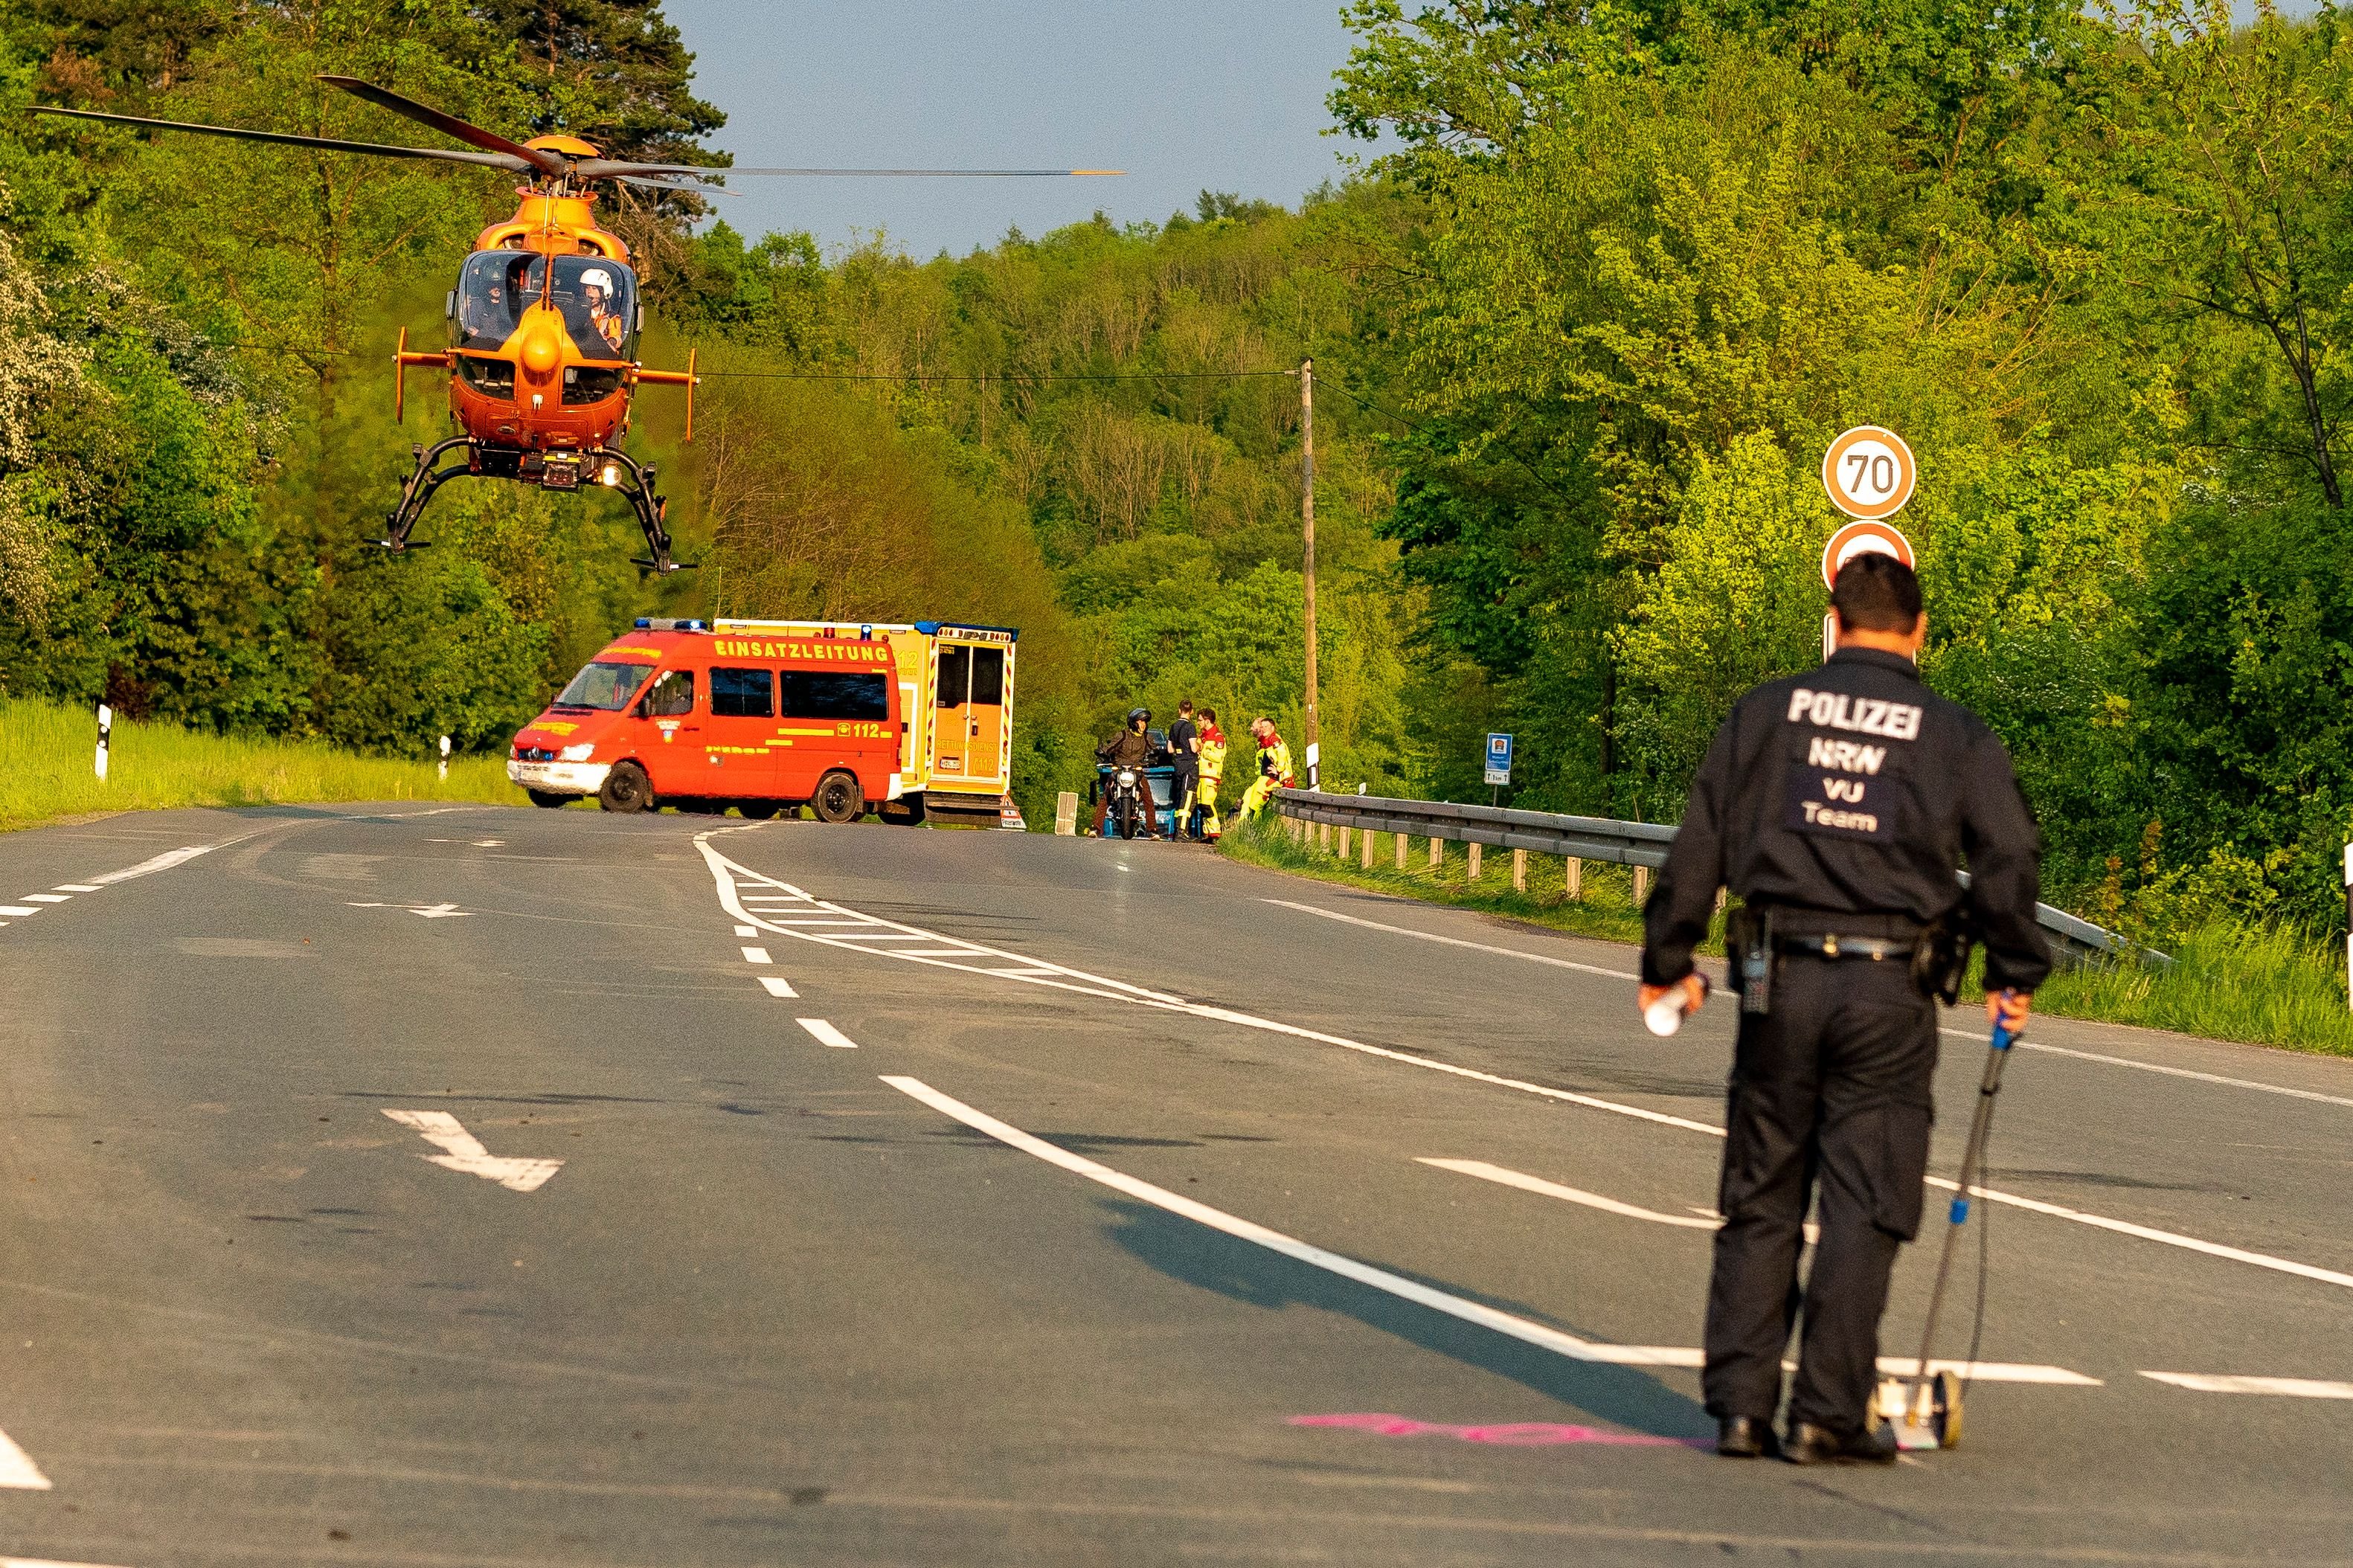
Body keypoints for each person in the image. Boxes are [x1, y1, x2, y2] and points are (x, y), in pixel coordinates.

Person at [1638, 553, 2048, 1466]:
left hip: (1776, 981)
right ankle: (1825, 1411)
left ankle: (1741, 1408)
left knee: (1763, 1190)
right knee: (1865, 1197)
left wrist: (1666, 957)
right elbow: (2009, 854)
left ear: (1833, 619)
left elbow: (1700, 836)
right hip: (1888, 989)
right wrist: (2012, 967)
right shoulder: (1950, 733)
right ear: (1919, 630)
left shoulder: (1766, 712)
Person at [1094, 707, 1160, 838]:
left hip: (1137, 769)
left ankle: (1152, 830)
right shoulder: (1122, 735)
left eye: (1145, 722)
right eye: (1140, 722)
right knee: (1107, 794)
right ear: (1133, 723)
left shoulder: (1147, 738)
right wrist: (1104, 753)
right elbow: (1110, 747)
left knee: (1147, 796)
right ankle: (1095, 828)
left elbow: (1155, 750)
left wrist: (1156, 756)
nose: (1143, 725)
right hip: (1120, 768)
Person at [1232, 716, 1294, 822]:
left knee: (1256, 804)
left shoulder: (1274, 741)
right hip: (1263, 778)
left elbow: (1283, 755)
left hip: (1275, 779)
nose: (1264, 729)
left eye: (1266, 727)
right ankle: (1242, 827)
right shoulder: (1264, 743)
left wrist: (1278, 770)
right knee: (1247, 798)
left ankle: (1255, 828)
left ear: (1272, 728)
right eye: (1262, 727)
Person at [1167, 700, 1201, 841]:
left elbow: (1170, 750)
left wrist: (1179, 751)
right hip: (1190, 766)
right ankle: (1182, 831)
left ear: (1179, 710)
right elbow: (1194, 748)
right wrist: (1200, 745)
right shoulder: (1190, 727)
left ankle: (1177, 830)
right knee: (1188, 798)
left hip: (1178, 765)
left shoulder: (1173, 727)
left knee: (1180, 798)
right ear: (1192, 712)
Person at [1194, 708, 1227, 840]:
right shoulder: (1202, 736)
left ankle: (1216, 832)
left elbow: (1218, 757)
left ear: (1207, 720)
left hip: (1211, 776)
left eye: (1200, 720)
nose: (1198, 722)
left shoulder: (1218, 737)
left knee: (1208, 804)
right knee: (1201, 805)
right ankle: (1207, 832)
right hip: (1201, 775)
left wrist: (1203, 751)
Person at [581, 267, 626, 351]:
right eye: (587, 288)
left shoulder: (612, 317)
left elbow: (616, 336)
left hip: (599, 354)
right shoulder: (577, 312)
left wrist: (611, 342)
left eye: (594, 288)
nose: (589, 292)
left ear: (604, 291)